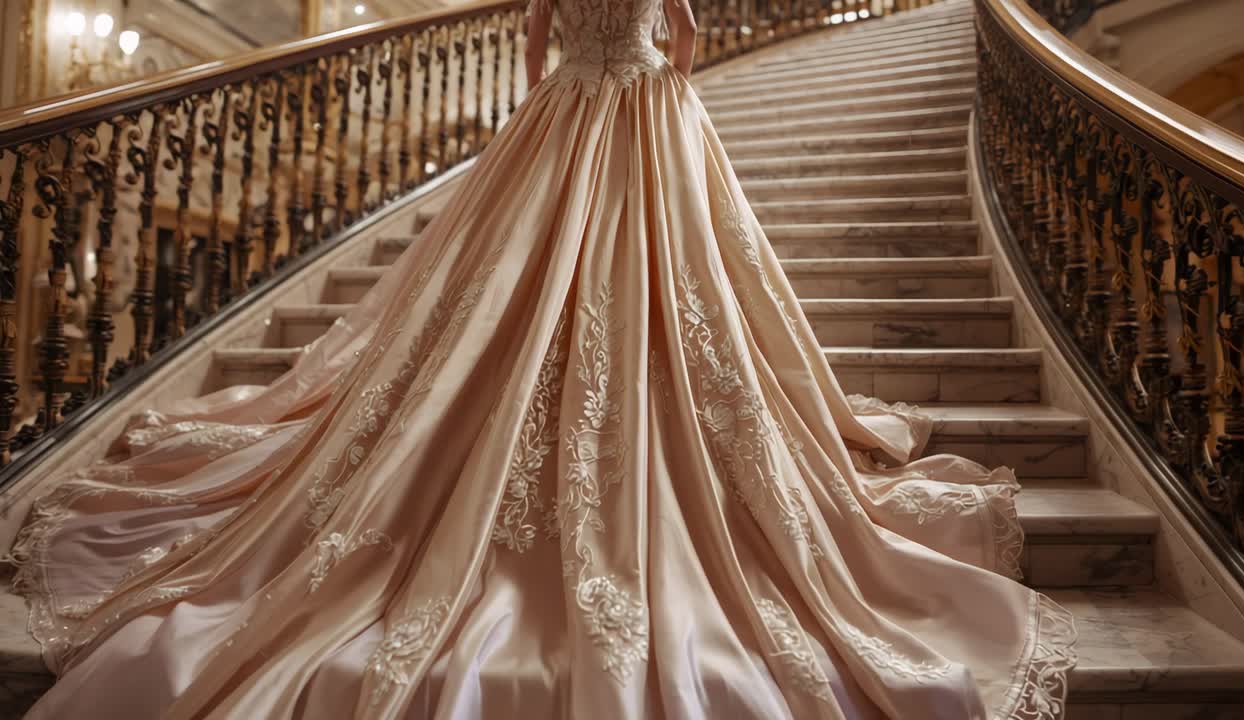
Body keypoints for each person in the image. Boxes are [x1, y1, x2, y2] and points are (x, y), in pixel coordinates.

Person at [9, 0, 1077, 716]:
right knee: (667, 294)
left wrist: (550, 94)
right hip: (650, 119)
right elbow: (689, 33)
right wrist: (667, 85)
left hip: (565, 114)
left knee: (500, 297)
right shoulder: (668, 43)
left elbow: (531, 36)